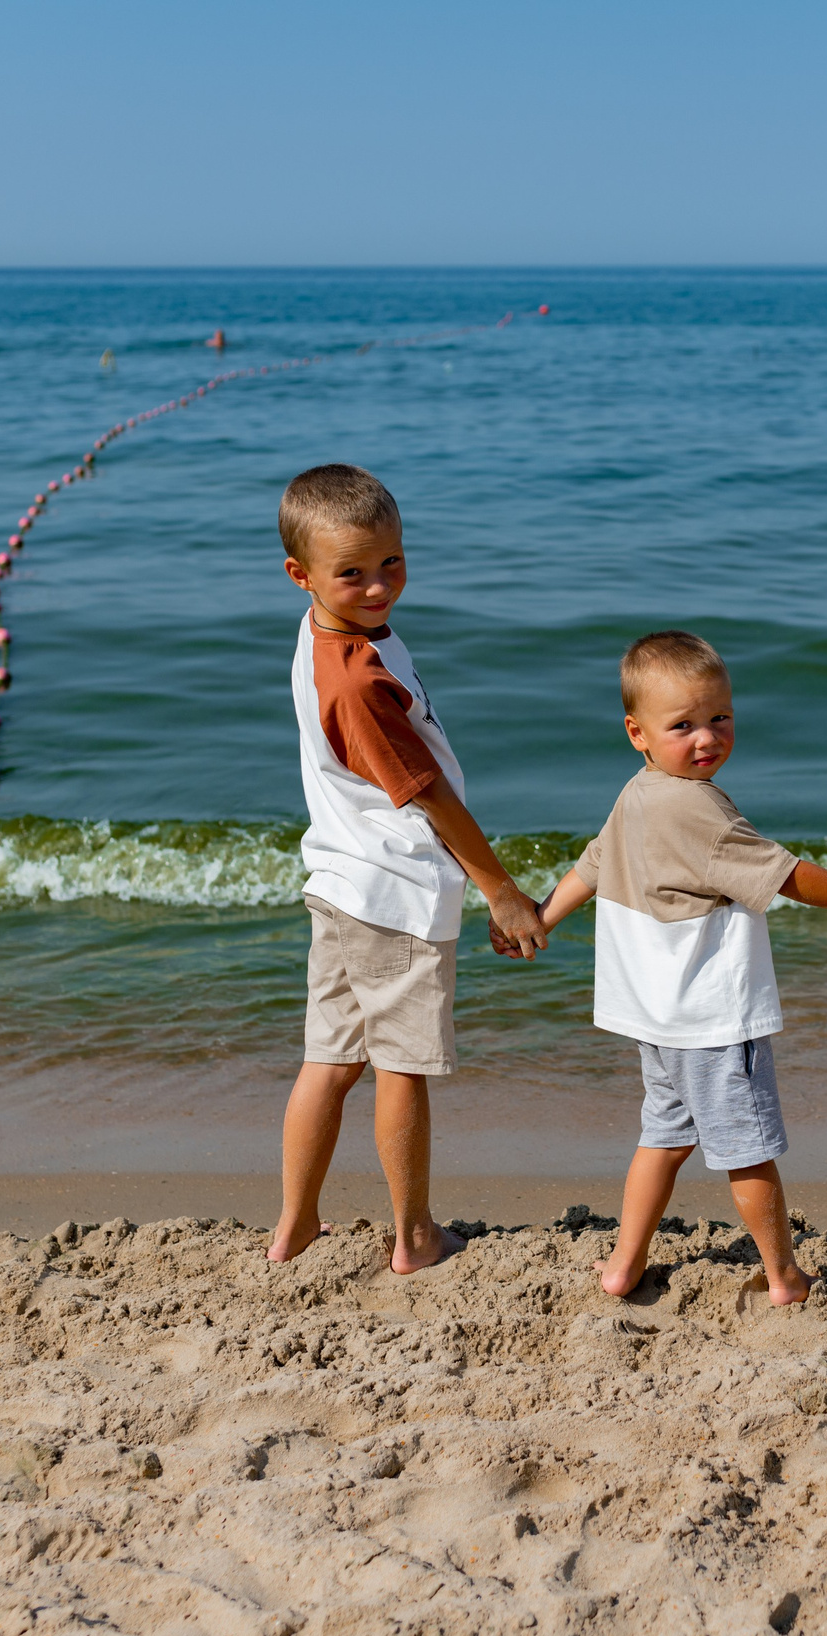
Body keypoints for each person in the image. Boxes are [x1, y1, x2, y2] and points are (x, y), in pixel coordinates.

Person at [540, 631, 827, 1306]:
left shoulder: (638, 792)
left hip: (653, 1015)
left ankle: (623, 1263)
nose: (706, 738)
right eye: (683, 726)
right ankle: (784, 1274)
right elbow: (787, 876)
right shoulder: (700, 808)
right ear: (637, 732)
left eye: (719, 718)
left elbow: (591, 862)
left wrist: (541, 915)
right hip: (710, 1018)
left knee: (663, 1138)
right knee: (746, 1147)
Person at [270, 463, 549, 1273]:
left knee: (330, 1060)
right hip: (392, 895)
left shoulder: (327, 632)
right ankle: (414, 1235)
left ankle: (295, 1226)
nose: (378, 584)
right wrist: (501, 890)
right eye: (352, 572)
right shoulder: (358, 680)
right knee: (401, 1067)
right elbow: (425, 794)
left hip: (339, 882)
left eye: (391, 562)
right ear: (302, 576)